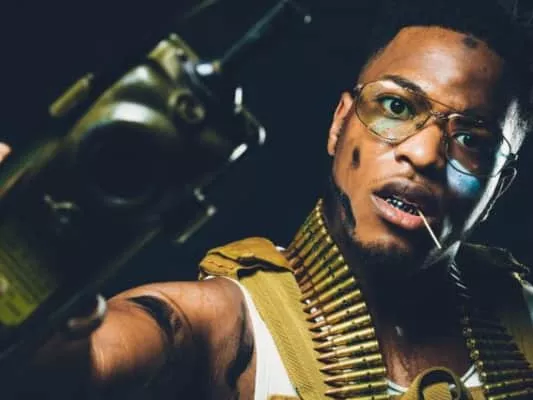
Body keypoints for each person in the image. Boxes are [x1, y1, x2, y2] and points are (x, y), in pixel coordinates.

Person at [9, 0, 533, 398]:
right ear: (339, 124)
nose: (423, 153)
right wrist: (28, 262)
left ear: (499, 187)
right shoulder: (227, 324)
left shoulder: (520, 318)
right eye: (396, 106)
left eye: (472, 140)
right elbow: (79, 367)